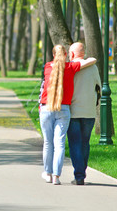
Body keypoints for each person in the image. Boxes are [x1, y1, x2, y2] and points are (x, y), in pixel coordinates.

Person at [39, 44, 96, 185]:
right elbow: (92, 60)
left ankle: (47, 173)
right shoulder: (71, 67)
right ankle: (56, 177)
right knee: (60, 144)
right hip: (64, 109)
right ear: (66, 54)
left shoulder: (47, 67)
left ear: (53, 55)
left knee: (48, 143)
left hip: (46, 108)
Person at [67, 42, 102, 185]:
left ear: (73, 54)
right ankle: (82, 172)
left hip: (73, 110)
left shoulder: (69, 68)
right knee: (85, 143)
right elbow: (98, 87)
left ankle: (79, 175)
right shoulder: (93, 68)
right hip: (89, 111)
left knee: (75, 143)